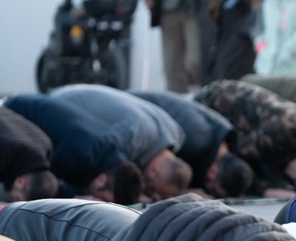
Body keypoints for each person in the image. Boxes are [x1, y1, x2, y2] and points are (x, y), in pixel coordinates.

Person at [48, 84, 190, 200]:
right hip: (60, 102)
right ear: (154, 171)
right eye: (153, 189)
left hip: (78, 91)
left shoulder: (175, 132)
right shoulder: (130, 139)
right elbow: (95, 170)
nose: (153, 194)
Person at [2, 94, 142, 204]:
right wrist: (73, 197)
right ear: (101, 180)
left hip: (24, 103)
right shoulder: (79, 155)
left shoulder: (110, 146)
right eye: (103, 199)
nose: (98, 200)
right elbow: (44, 181)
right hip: (10, 115)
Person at [195, 79, 296, 197]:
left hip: (233, 92)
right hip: (213, 101)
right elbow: (236, 155)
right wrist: (265, 190)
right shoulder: (280, 135)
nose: (293, 181)